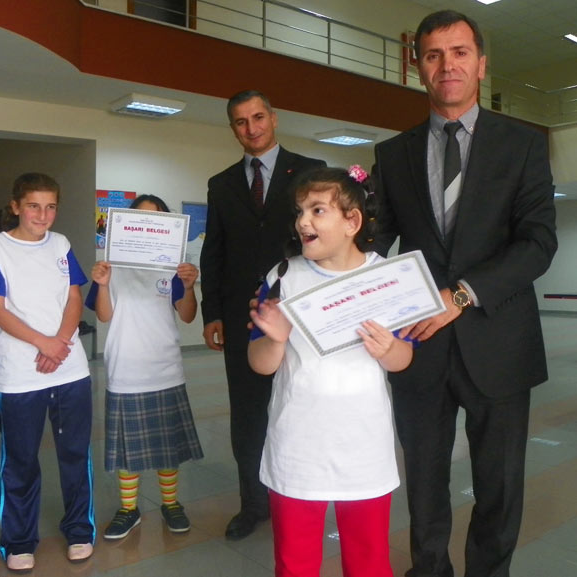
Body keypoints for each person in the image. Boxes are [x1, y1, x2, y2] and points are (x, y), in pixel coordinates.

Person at [373, 10, 557, 577]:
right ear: (418, 68)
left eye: (459, 52)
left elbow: (538, 242)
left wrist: (460, 295)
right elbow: (372, 245)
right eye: (433, 55)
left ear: (481, 65)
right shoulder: (393, 154)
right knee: (424, 482)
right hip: (419, 345)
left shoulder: (523, 144)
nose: (447, 65)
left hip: (499, 342)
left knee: (499, 486)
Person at [248, 166, 412, 577]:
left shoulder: (387, 277)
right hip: (297, 446)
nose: (303, 221)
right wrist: (276, 340)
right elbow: (260, 363)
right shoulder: (283, 277)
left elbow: (403, 359)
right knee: (295, 563)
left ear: (352, 221)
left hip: (364, 446)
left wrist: (389, 348)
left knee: (369, 561)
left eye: (317, 210)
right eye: (300, 211)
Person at [200, 89, 325, 540]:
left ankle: (302, 497)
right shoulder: (221, 184)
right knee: (249, 415)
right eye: (241, 121)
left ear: (273, 118)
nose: (251, 128)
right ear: (233, 128)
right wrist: (212, 312)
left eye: (257, 117)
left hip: (299, 312)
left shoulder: (309, 171)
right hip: (242, 317)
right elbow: (214, 252)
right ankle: (253, 504)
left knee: (300, 406)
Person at [0, 173, 95, 573]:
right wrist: (45, 344)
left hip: (70, 371)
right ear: (15, 207)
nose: (43, 215)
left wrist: (59, 342)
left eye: (50, 206)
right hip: (21, 376)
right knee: (21, 461)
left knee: (75, 456)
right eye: (33, 206)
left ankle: (79, 531)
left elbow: (74, 297)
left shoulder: (61, 244)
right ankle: (20, 541)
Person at [85, 193, 203, 540]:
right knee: (128, 450)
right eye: (141, 220)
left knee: (167, 446)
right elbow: (104, 315)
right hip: (125, 369)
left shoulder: (174, 267)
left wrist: (189, 286)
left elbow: (187, 315)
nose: (149, 227)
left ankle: (171, 503)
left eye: (157, 220)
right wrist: (102, 285)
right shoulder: (111, 267)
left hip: (165, 367)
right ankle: (129, 509)